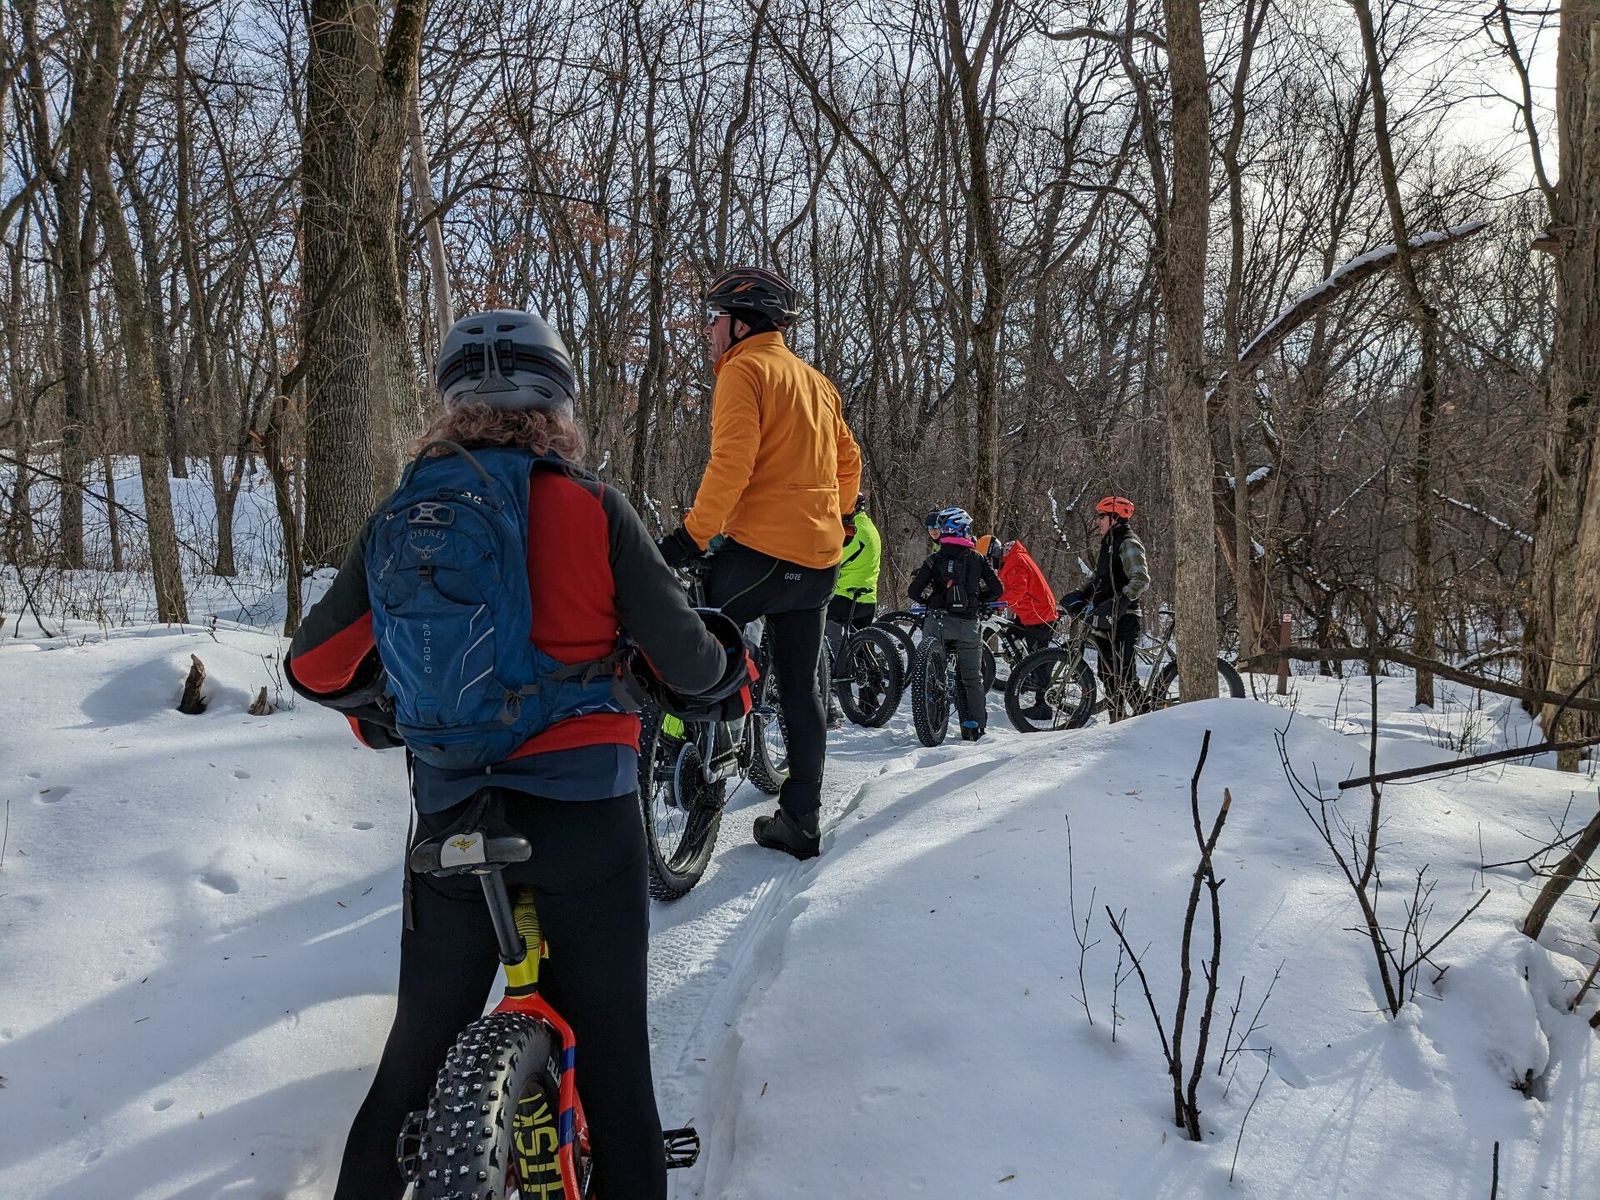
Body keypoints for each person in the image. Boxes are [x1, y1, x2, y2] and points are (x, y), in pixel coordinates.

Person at [284, 309, 735, 1200]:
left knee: (410, 1067)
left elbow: (313, 666)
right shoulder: (591, 507)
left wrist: (392, 703)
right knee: (616, 1069)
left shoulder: (404, 515)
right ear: (559, 403)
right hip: (582, 820)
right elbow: (690, 665)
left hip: (451, 818)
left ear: (451, 403)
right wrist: (723, 670)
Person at [656, 265, 862, 860]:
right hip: (819, 560)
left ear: (742, 325)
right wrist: (842, 516)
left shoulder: (743, 371)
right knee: (799, 688)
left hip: (762, 552)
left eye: (715, 319)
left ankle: (691, 761)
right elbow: (849, 460)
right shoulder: (817, 382)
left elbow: (732, 463)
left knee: (692, 636)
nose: (708, 330)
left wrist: (692, 536)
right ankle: (801, 821)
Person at [908, 506, 1002, 741]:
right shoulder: (977, 559)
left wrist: (929, 602)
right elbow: (997, 589)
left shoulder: (934, 559)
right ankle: (975, 727)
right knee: (972, 677)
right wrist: (979, 601)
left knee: (931, 673)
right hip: (967, 625)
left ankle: (931, 720)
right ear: (963, 530)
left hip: (937, 623)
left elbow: (913, 591)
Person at [1061, 495, 1151, 721]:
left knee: (1125, 677)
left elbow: (1141, 579)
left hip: (1125, 618)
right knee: (1108, 675)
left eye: (1102, 516)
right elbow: (1100, 580)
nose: (1097, 521)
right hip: (1105, 617)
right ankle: (1117, 721)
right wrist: (1081, 594)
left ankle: (1148, 719)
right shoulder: (1108, 544)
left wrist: (1120, 602)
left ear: (1115, 518)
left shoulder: (1128, 542)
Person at [826, 492, 881, 726]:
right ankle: (869, 703)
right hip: (867, 598)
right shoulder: (870, 527)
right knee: (863, 649)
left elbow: (835, 558)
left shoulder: (856, 531)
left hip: (846, 597)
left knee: (815, 631)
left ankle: (828, 688)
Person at [976, 534, 1058, 652]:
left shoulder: (1015, 562)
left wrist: (998, 604)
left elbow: (1018, 591)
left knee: (1036, 658)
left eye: (988, 560)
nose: (990, 565)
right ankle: (1019, 661)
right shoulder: (1010, 560)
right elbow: (1008, 588)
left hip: (1039, 614)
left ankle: (1031, 663)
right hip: (1028, 612)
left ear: (994, 554)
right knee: (1010, 640)